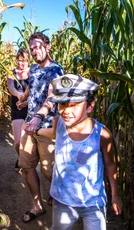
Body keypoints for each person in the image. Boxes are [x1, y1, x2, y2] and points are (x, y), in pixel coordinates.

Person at [36, 74, 122, 230]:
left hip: (93, 203)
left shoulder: (102, 135)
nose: (66, 111)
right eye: (62, 105)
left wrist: (115, 195)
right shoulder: (58, 123)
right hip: (62, 200)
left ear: (89, 106)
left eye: (74, 105)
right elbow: (55, 134)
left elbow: (110, 165)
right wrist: (37, 131)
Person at [17, 32, 64, 223]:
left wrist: (38, 117)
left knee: (48, 171)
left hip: (46, 128)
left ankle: (59, 195)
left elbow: (51, 98)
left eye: (38, 47)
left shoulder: (56, 71)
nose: (35, 51)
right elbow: (32, 87)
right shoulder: (35, 70)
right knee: (27, 166)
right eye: (32, 49)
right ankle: (37, 205)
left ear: (48, 46)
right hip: (30, 126)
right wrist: (24, 99)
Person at [7, 48, 30, 171]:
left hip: (31, 107)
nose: (22, 64)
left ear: (28, 61)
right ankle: (21, 158)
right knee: (17, 142)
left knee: (27, 139)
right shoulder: (12, 73)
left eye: (25, 61)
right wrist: (19, 96)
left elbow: (36, 90)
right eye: (20, 60)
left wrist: (26, 101)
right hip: (17, 107)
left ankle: (26, 162)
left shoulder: (33, 73)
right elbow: (11, 88)